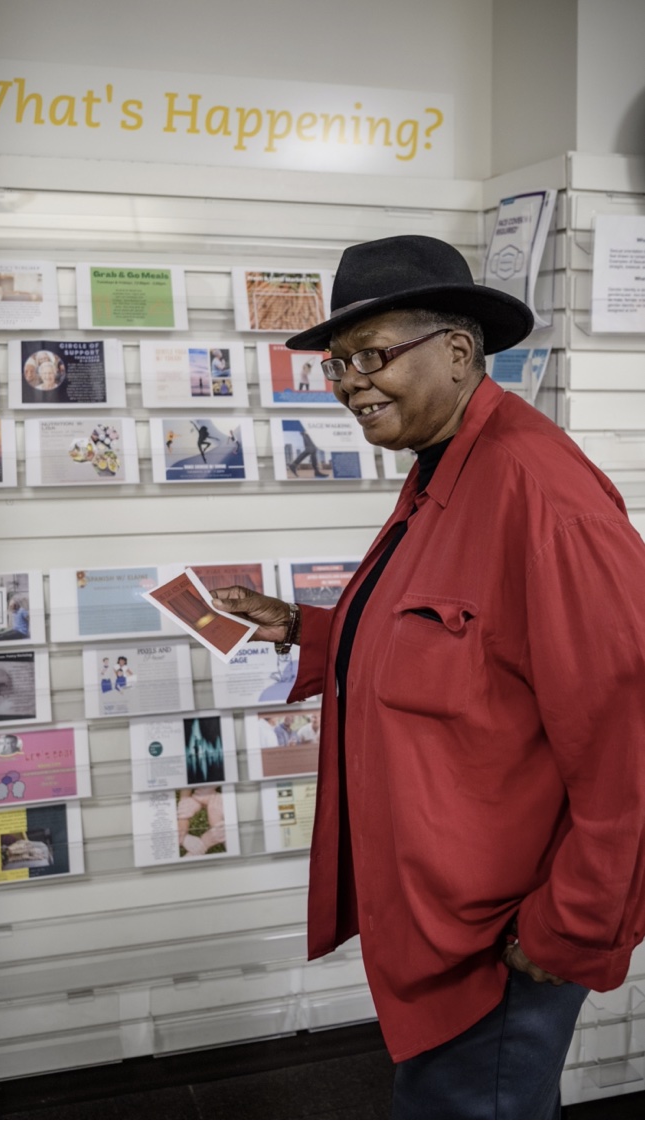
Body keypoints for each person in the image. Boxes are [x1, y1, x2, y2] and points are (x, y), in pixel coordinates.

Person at [211, 235, 645, 1118]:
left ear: (456, 352)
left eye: (372, 356)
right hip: (439, 920)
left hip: (500, 942)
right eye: (337, 364)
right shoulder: (444, 465)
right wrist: (303, 627)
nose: (348, 384)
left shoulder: (539, 492)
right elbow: (464, 653)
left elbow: (626, 736)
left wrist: (565, 928)